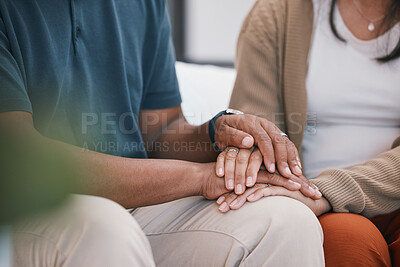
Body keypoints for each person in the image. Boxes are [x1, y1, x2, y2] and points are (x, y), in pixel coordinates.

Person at [0, 0, 325, 266]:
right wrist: (200, 177)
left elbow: (159, 132)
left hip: (136, 206)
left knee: (287, 222)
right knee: (106, 230)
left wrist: (216, 132)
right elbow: (23, 158)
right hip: (26, 211)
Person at [222, 0, 400, 266]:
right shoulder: (278, 11)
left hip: (332, 193)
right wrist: (308, 192)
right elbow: (254, 134)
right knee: (348, 245)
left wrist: (329, 190)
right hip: (316, 204)